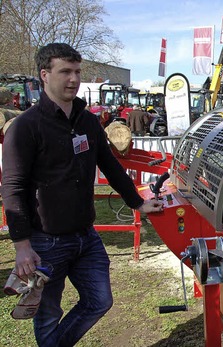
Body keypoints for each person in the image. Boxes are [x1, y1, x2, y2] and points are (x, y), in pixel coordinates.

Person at [1, 43, 164, 346]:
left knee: (100, 300)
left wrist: (138, 203)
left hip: (85, 236)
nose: (73, 79)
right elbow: (12, 187)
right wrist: (22, 245)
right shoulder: (25, 127)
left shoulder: (87, 121)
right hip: (45, 241)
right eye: (65, 71)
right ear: (44, 75)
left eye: (77, 71)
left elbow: (112, 168)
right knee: (48, 314)